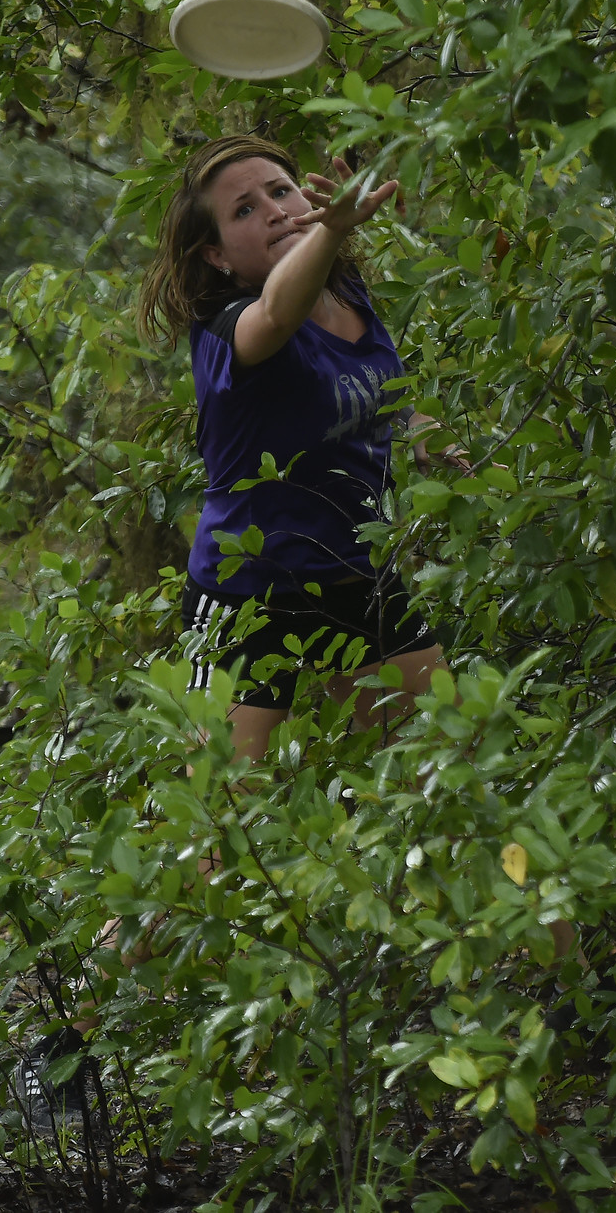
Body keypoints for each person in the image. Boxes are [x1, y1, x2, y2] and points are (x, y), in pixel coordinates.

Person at [137, 133, 449, 761]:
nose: (275, 210)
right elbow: (277, 316)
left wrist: (421, 431)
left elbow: (377, 392)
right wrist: (332, 232)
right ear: (217, 256)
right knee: (225, 816)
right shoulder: (228, 329)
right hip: (245, 588)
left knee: (446, 760)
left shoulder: (347, 291)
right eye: (244, 210)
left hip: (357, 568)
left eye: (280, 190)